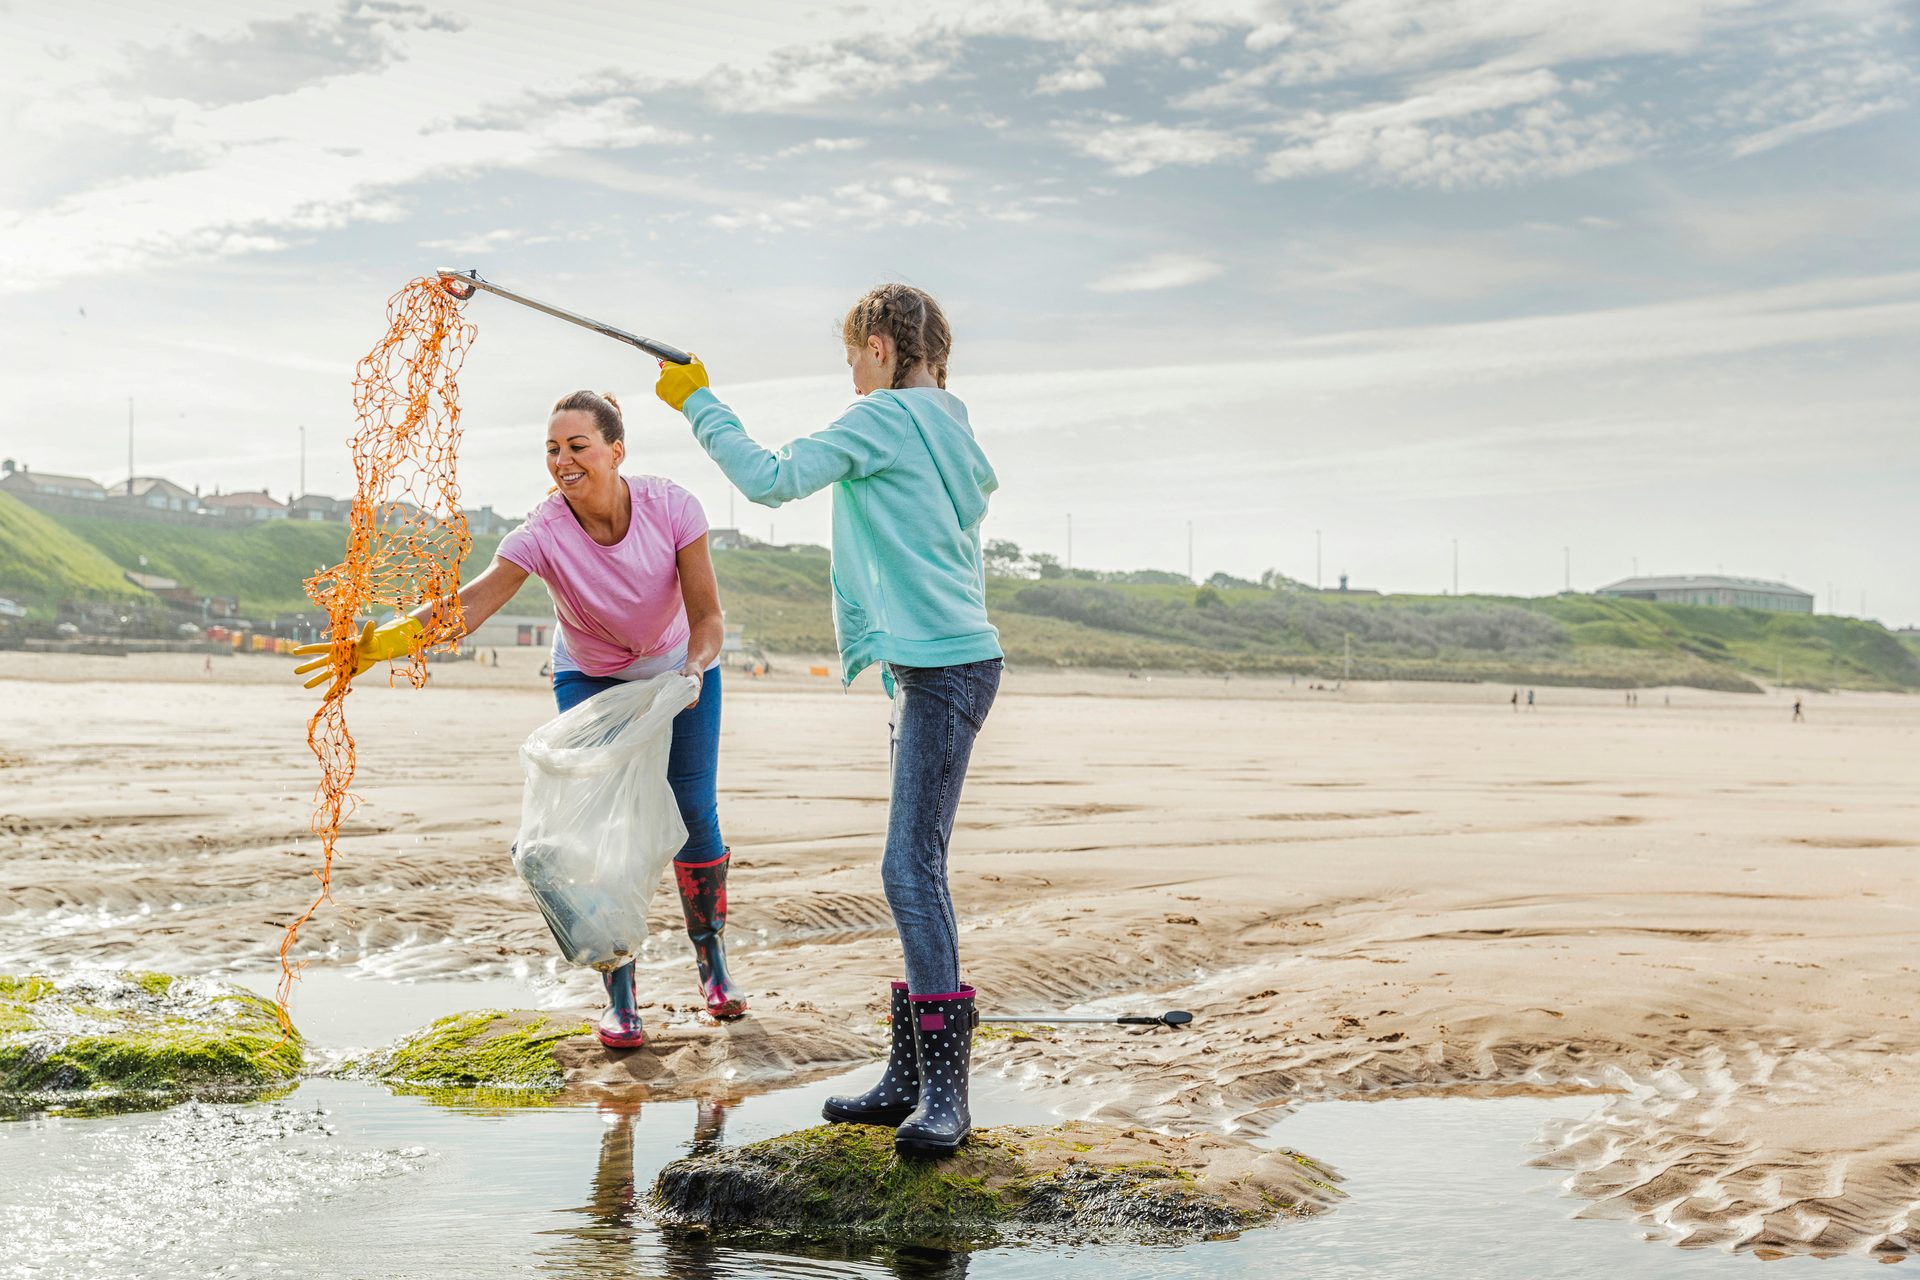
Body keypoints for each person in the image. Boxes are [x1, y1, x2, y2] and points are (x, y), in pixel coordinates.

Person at [655, 283, 1001, 1158]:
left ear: (882, 346)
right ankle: (912, 1079)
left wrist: (697, 400)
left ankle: (945, 1096)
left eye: (852, 352)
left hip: (943, 666)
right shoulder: (950, 425)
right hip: (940, 662)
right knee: (915, 866)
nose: (849, 371)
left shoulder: (886, 420)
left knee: (909, 869)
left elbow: (770, 480)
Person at [292, 389, 745, 1051]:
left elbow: (707, 615)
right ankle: (621, 998)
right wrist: (382, 644)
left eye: (578, 446)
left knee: (694, 813)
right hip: (590, 677)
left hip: (681, 670)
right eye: (553, 449)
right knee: (598, 829)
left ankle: (713, 968)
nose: (563, 460)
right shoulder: (542, 531)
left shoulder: (673, 507)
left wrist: (696, 667)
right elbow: (468, 606)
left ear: (616, 451)